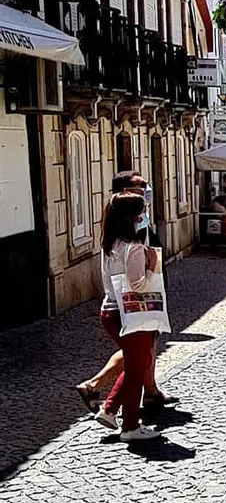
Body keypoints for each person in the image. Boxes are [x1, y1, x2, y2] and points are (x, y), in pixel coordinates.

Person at [76, 171, 178, 419]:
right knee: (138, 360)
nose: (147, 193)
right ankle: (118, 411)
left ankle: (119, 398)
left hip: (118, 306)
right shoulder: (130, 239)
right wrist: (152, 265)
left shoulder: (110, 238)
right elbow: (138, 281)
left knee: (139, 356)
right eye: (141, 189)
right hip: (133, 306)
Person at [97, 192, 168, 443]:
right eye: (142, 212)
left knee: (134, 362)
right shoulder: (133, 248)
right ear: (133, 217)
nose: (144, 217)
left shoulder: (109, 244)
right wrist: (152, 264)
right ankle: (130, 426)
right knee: (138, 368)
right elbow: (137, 285)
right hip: (132, 314)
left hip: (110, 310)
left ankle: (109, 409)